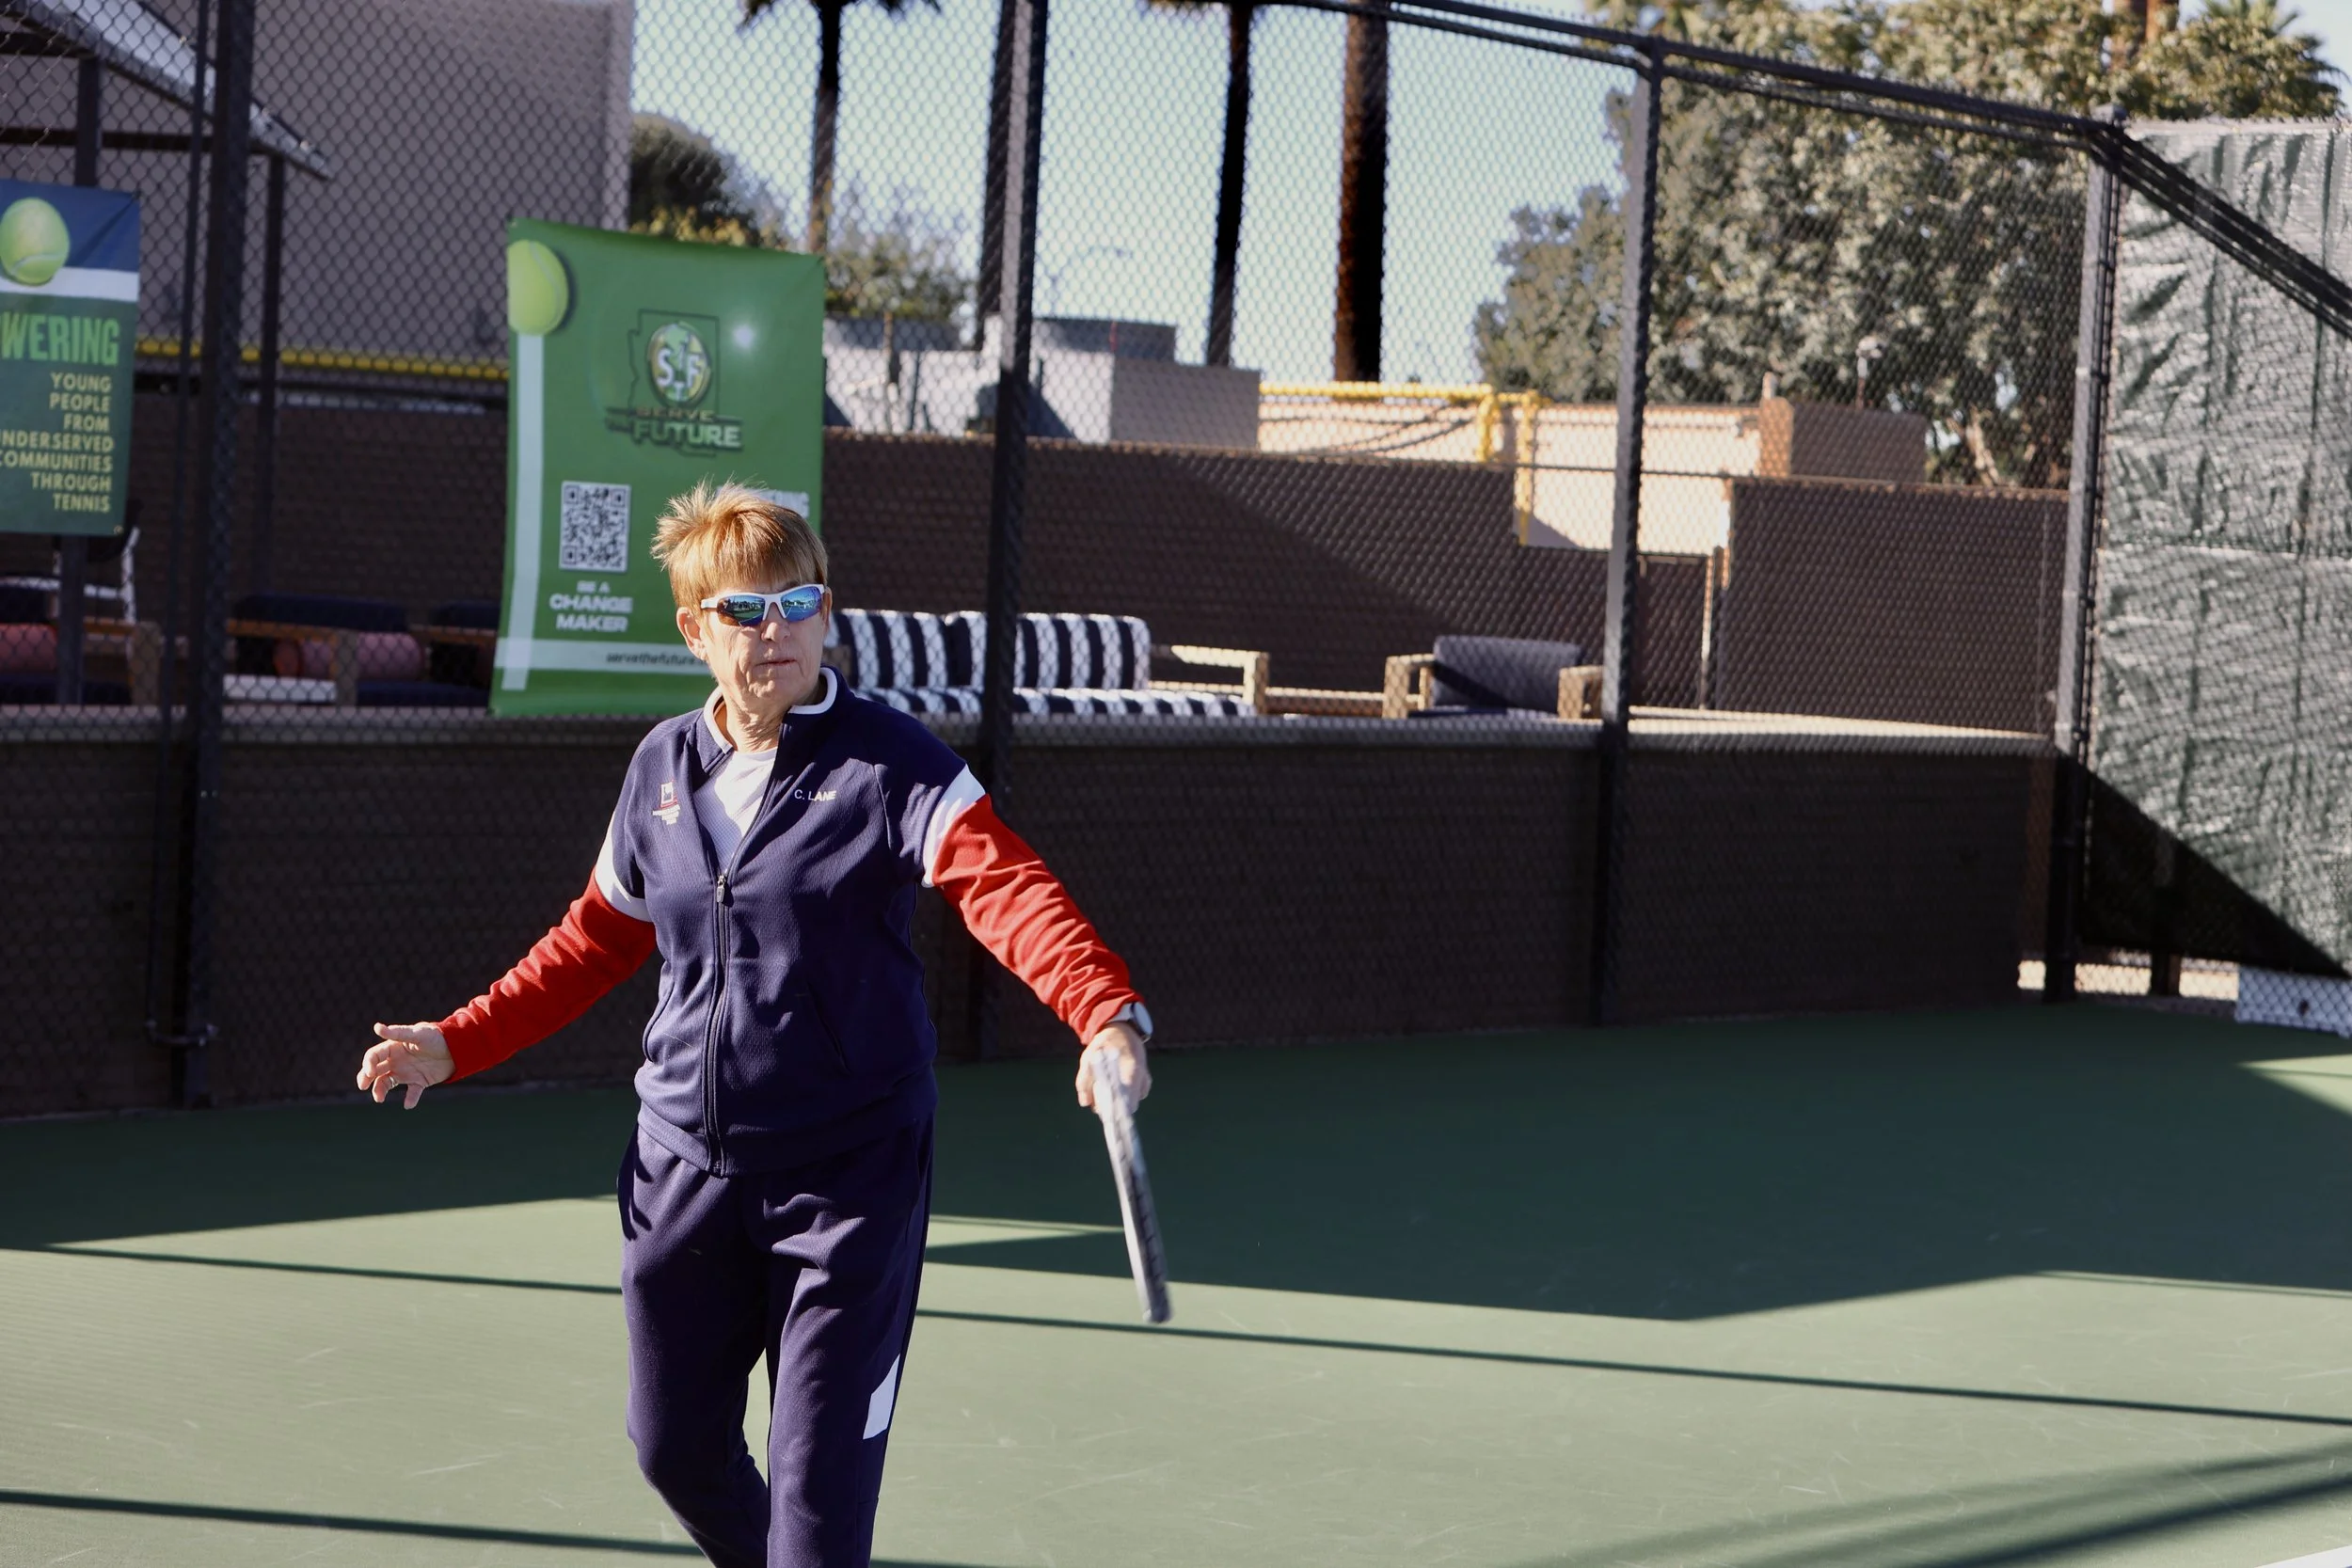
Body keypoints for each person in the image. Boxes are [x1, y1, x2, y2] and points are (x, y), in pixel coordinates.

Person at [355, 482, 1152, 1568]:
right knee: (674, 1448)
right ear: (695, 630)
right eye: (744, 609)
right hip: (680, 1172)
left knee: (815, 1513)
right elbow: (595, 936)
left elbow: (1005, 885)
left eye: (798, 602)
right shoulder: (660, 767)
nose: (776, 630)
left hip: (848, 1182)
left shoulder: (893, 764)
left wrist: (1103, 1011)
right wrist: (458, 1039)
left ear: (826, 613)